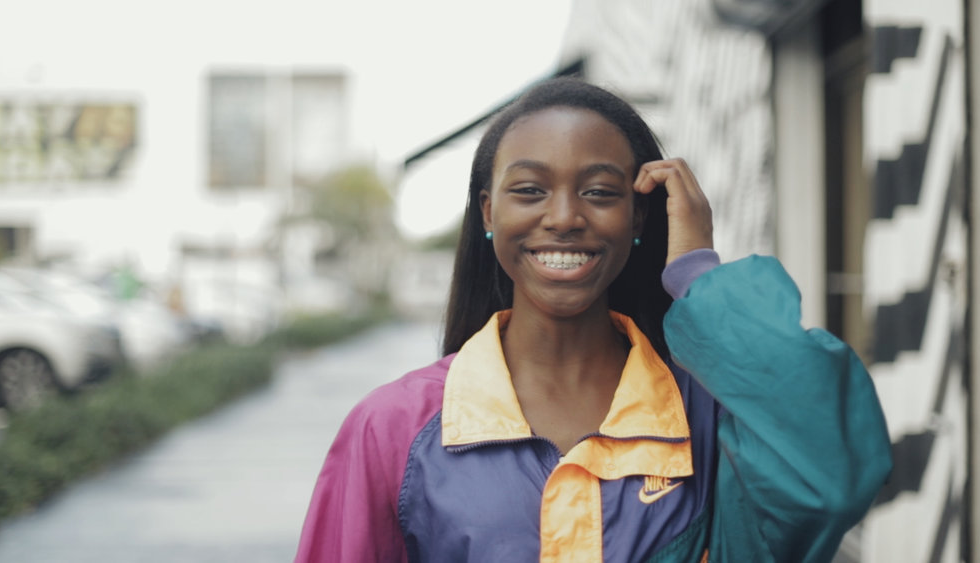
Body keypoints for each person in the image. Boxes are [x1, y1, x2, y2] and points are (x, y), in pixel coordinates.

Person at [294, 78, 892, 562]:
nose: (564, 217)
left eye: (600, 193)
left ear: (638, 219)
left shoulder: (710, 418)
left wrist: (697, 275)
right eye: (529, 190)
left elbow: (833, 472)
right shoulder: (394, 429)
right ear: (488, 212)